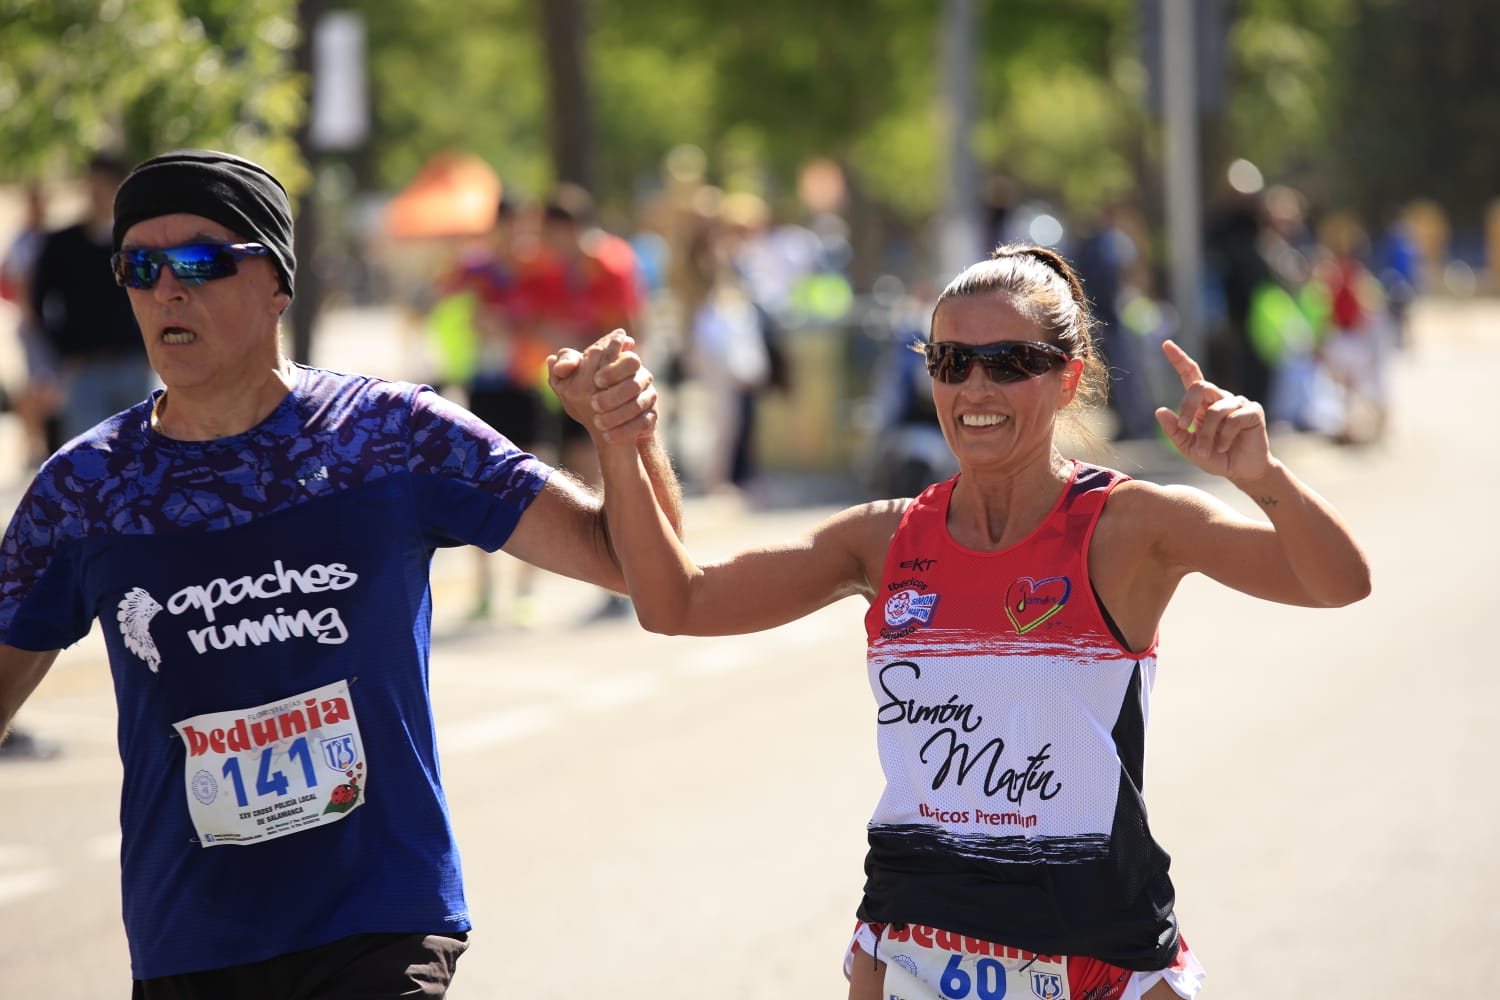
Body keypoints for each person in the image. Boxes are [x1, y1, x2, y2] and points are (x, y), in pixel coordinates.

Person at [549, 244, 1372, 1000]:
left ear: (1065, 375)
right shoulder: (884, 535)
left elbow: (1338, 584)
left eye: (1008, 362)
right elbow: (675, 602)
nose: (975, 389)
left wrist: (1265, 479)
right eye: (951, 362)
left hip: (1096, 951)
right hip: (913, 945)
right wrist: (623, 442)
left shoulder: (1131, 526)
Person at [0, 149, 680, 998]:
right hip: (193, 944)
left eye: (202, 262)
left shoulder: (388, 435)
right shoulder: (86, 489)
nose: (168, 289)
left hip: (379, 923)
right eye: (141, 266)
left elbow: (635, 567)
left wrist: (626, 434)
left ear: (277, 282)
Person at [29, 152, 155, 449]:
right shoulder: (61, 243)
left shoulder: (138, 243)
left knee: (142, 458)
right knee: (87, 465)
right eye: (91, 183)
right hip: (84, 370)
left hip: (133, 365)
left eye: (104, 184)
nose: (96, 192)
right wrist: (63, 352)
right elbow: (38, 303)